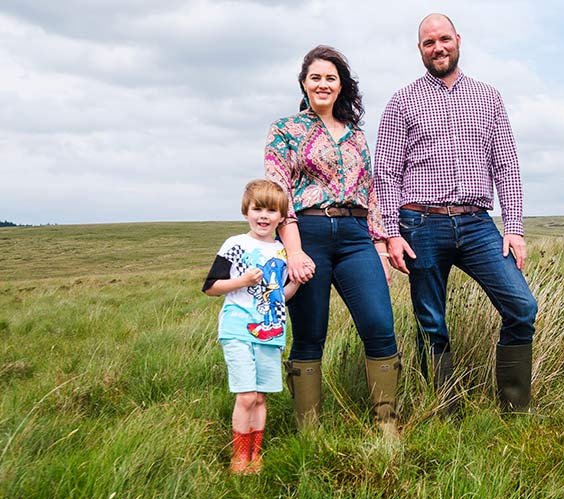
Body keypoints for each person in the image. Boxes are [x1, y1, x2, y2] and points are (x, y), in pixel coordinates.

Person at [374, 13, 538, 412]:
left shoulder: (488, 97)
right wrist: (392, 233)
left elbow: (506, 165)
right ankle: (443, 409)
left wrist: (512, 227)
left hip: (477, 222)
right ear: (420, 50)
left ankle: (515, 408)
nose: (438, 48)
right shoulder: (402, 100)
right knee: (431, 321)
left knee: (522, 307)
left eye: (444, 39)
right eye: (429, 43)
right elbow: (386, 173)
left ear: (458, 40)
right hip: (420, 223)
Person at [264, 45, 400, 436]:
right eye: (315, 77)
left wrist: (378, 246)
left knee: (379, 325)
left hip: (357, 237)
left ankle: (386, 423)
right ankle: (309, 431)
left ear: (341, 86)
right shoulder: (285, 129)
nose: (323, 84)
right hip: (308, 235)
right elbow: (279, 192)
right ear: (304, 84)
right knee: (310, 333)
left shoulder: (357, 135)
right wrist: (293, 250)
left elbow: (371, 191)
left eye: (331, 78)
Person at [202, 179, 299, 474]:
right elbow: (211, 287)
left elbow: (279, 296)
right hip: (237, 328)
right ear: (247, 211)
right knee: (245, 396)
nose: (264, 216)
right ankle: (238, 457)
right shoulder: (235, 245)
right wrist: (242, 282)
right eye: (258, 208)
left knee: (259, 397)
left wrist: (295, 281)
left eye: (271, 210)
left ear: (282, 217)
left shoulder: (284, 252)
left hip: (271, 330)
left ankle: (255, 455)